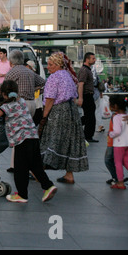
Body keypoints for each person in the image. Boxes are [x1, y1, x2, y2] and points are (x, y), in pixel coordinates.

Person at [0, 80, 57, 203]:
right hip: (33, 136)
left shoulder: (6, 106)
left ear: (3, 93)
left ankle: (22, 195)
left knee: (20, 168)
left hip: (22, 140)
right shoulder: (21, 101)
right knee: (35, 165)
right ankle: (48, 186)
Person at [39, 53, 88, 184]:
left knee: (49, 139)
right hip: (71, 111)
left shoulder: (54, 77)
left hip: (58, 112)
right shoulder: (68, 75)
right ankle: (69, 175)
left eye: (50, 65)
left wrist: (44, 117)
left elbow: (50, 99)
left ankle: (38, 172)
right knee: (69, 142)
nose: (48, 67)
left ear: (58, 65)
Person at [5, 50, 45, 117]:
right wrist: (33, 89)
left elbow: (3, 88)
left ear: (10, 62)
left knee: (19, 126)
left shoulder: (11, 73)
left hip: (19, 103)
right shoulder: (30, 71)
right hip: (32, 104)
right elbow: (43, 82)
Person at [107, 95, 128, 190]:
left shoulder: (116, 117)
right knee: (127, 161)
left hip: (119, 144)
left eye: (110, 104)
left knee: (117, 162)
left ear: (115, 106)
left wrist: (110, 134)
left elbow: (117, 131)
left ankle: (120, 183)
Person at [77, 52, 98, 143]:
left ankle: (87, 134)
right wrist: (80, 98)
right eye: (93, 58)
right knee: (90, 116)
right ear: (87, 59)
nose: (95, 60)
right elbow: (81, 84)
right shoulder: (84, 70)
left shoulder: (87, 70)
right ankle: (87, 135)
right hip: (86, 96)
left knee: (90, 116)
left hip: (88, 95)